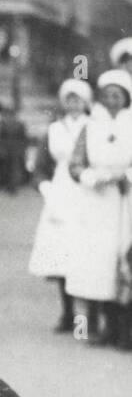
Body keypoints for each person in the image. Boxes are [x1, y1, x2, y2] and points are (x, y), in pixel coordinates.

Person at [66, 68, 132, 349]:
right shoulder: (91, 126)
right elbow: (75, 164)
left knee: (125, 258)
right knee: (100, 263)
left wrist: (125, 177)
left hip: (127, 198)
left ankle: (126, 332)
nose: (112, 100)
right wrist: (95, 178)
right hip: (98, 203)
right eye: (107, 96)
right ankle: (108, 327)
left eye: (117, 95)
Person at [28, 78, 92, 332]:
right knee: (61, 254)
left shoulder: (93, 126)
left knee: (87, 253)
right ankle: (67, 313)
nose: (74, 104)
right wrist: (45, 187)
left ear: (86, 102)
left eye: (78, 99)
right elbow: (40, 166)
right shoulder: (54, 130)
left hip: (87, 191)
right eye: (69, 99)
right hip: (61, 193)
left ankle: (89, 316)